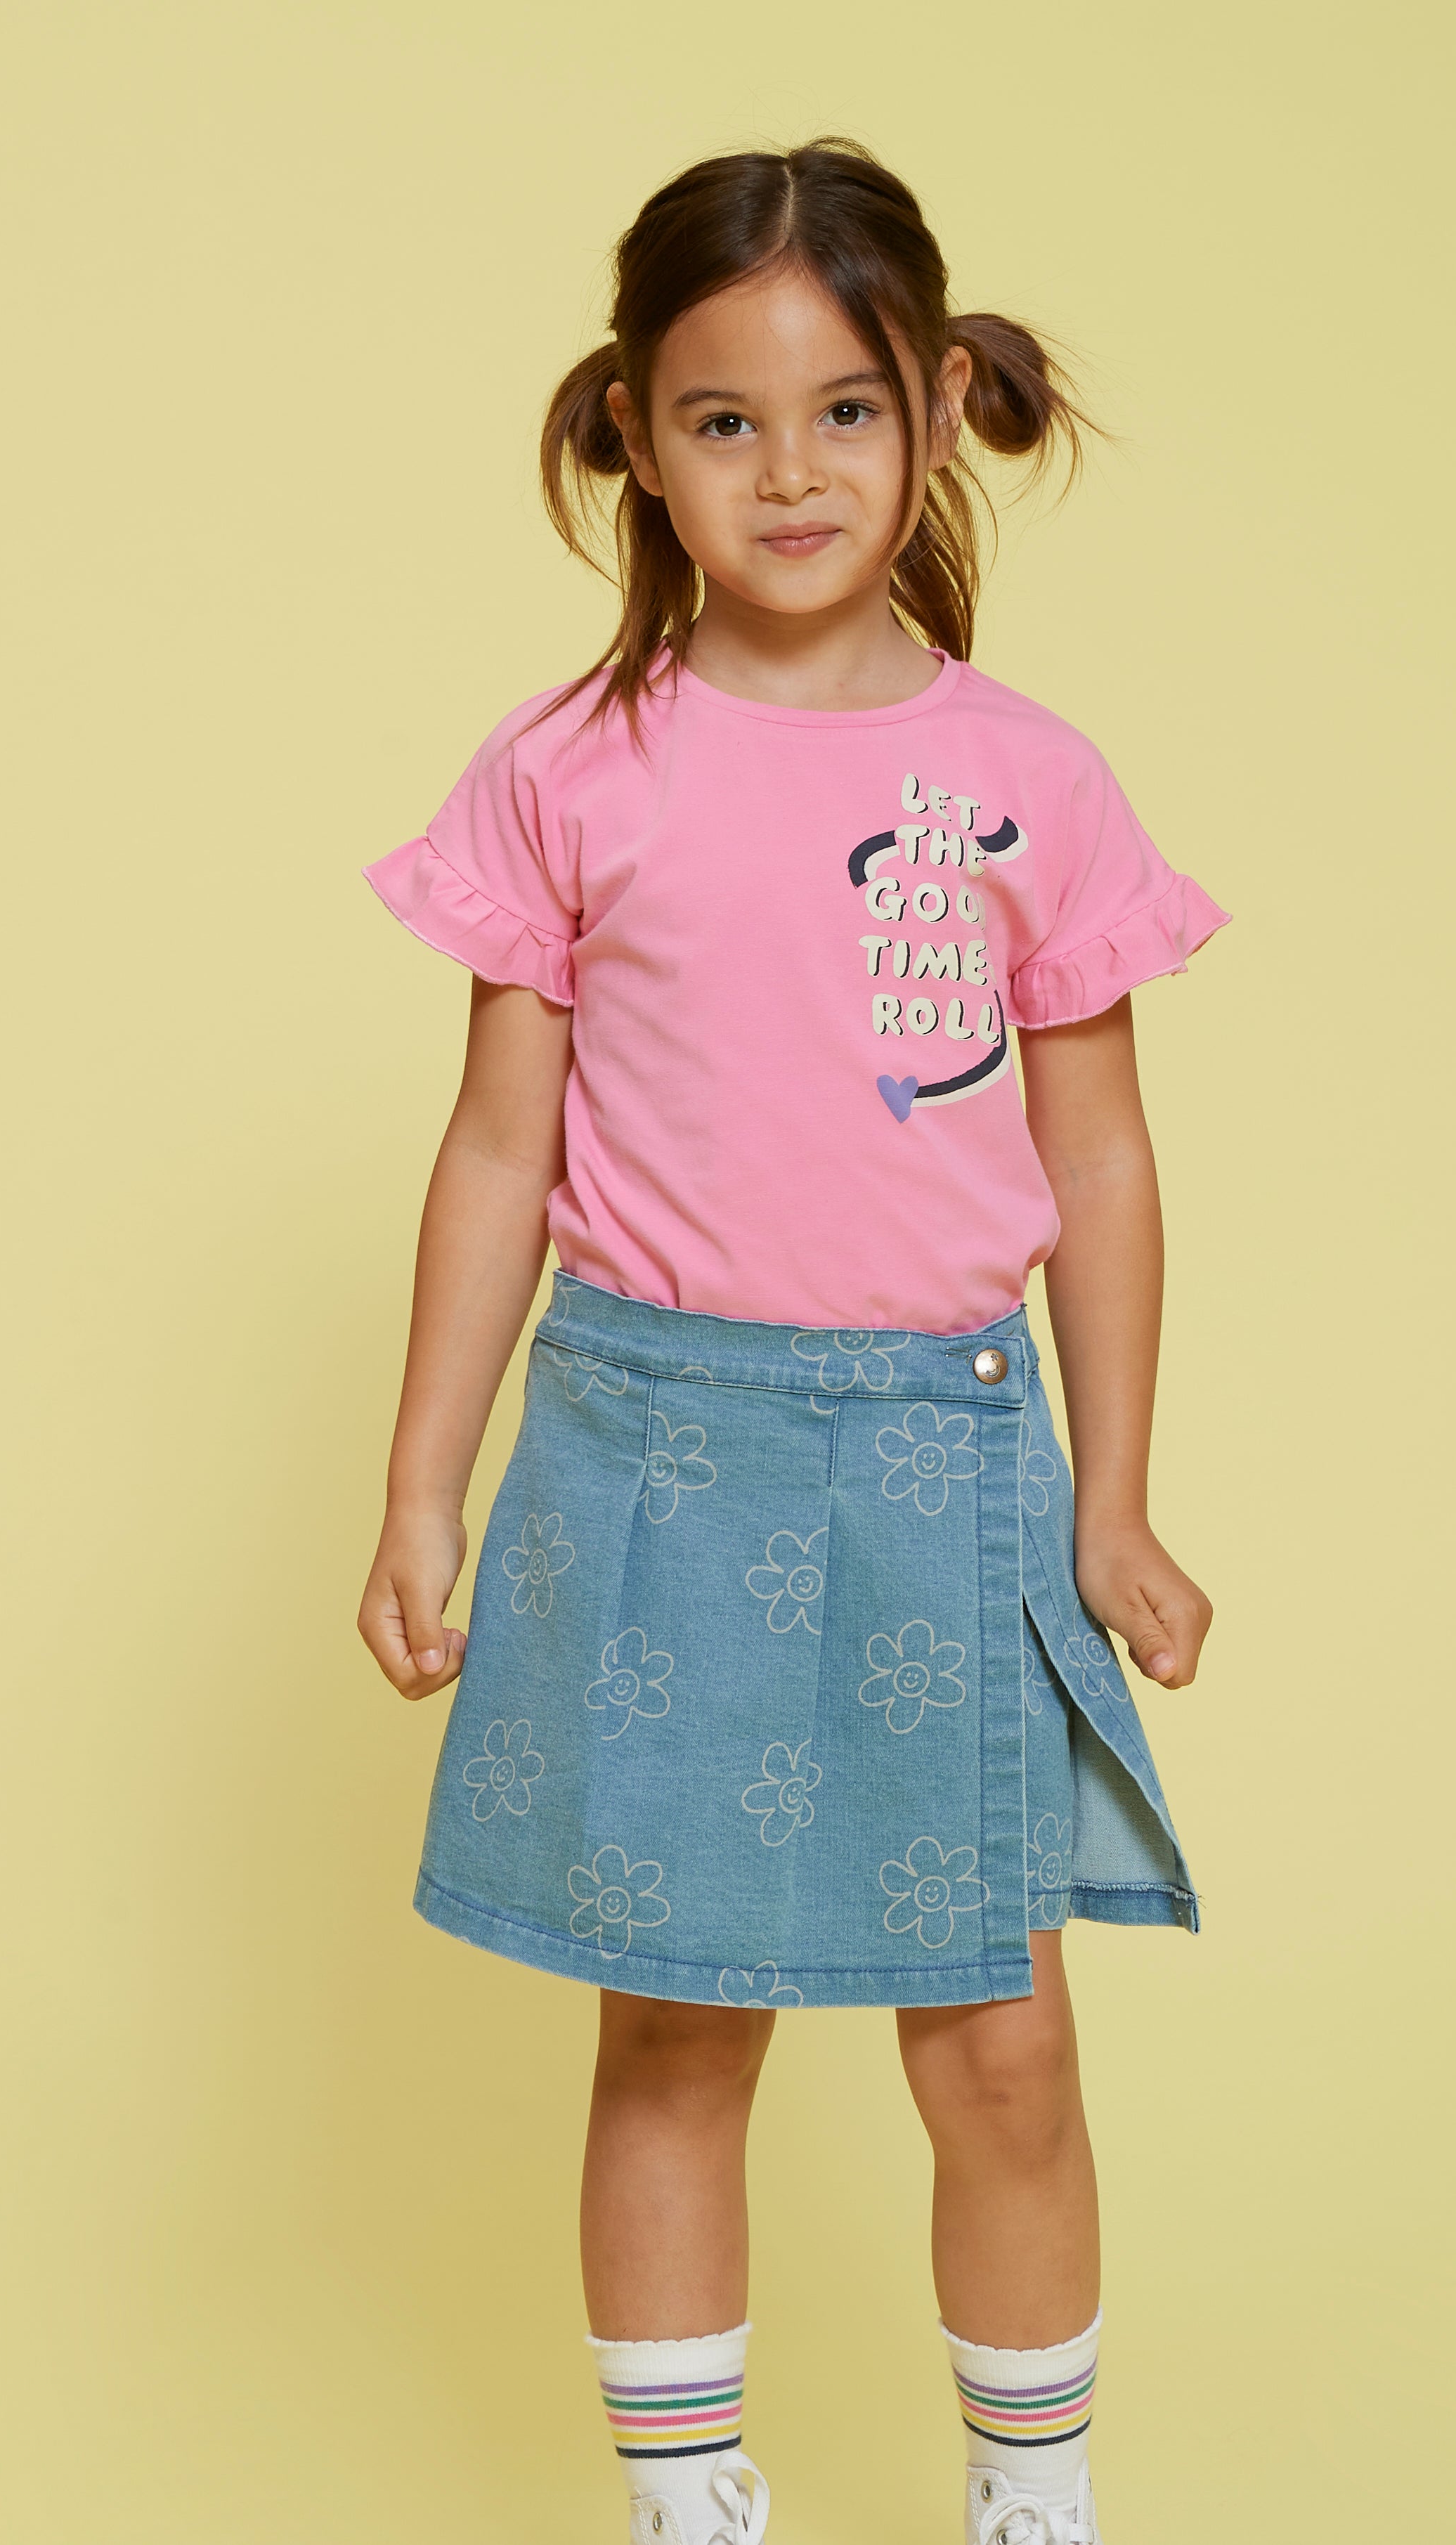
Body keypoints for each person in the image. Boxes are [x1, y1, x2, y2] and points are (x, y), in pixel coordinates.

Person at [354, 138, 1228, 2545]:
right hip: (649, 1451)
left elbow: (1102, 1165)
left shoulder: (1028, 783)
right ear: (634, 438)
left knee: (1006, 2049)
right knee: (670, 2027)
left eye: (846, 411)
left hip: (945, 1458)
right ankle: (689, 2511)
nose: (792, 471)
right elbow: (497, 1155)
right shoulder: (571, 771)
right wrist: (422, 1484)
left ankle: (1033, 2506)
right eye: (723, 420)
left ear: (938, 413)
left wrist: (1118, 1501)